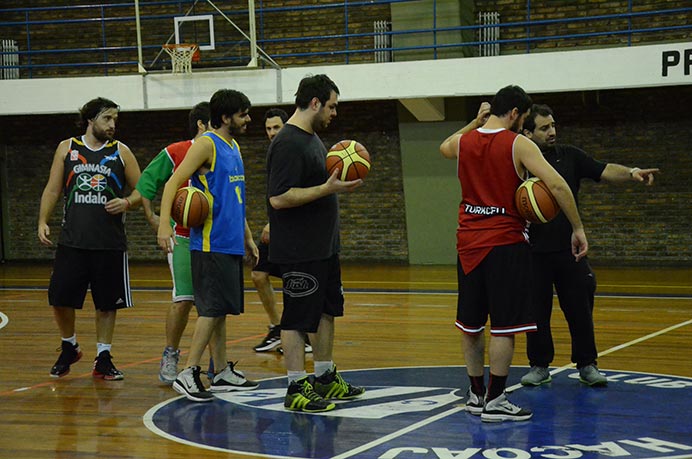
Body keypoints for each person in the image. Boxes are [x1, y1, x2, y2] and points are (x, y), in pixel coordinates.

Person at [439, 86, 588, 422]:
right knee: (505, 327)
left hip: (467, 244)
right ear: (517, 113)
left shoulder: (465, 141)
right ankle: (496, 399)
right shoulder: (518, 143)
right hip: (505, 243)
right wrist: (577, 228)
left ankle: (475, 394)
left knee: (472, 325)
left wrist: (473, 123)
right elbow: (559, 185)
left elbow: (444, 147)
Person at [519, 104, 660, 387]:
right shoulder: (518, 161)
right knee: (536, 314)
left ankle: (587, 364)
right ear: (527, 132)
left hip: (569, 250)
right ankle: (539, 365)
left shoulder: (569, 155)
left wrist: (631, 172)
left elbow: (603, 169)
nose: (552, 132)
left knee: (580, 309)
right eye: (544, 128)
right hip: (532, 252)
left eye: (553, 125)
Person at [267, 74, 365, 413]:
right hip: (299, 249)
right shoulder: (288, 142)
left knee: (326, 312)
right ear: (314, 103)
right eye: (332, 106)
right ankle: (295, 386)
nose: (334, 113)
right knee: (296, 319)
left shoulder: (312, 139)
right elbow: (279, 198)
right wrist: (327, 190)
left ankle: (324, 377)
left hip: (323, 247)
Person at [157, 89, 260, 402]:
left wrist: (248, 236)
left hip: (229, 241)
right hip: (209, 242)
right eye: (243, 114)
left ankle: (221, 372)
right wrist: (164, 223)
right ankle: (189, 371)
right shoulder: (206, 144)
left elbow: (235, 197)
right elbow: (174, 183)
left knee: (221, 310)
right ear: (226, 117)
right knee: (211, 309)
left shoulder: (234, 146)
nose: (248, 119)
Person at [38, 97, 141, 380]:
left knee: (107, 304)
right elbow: (52, 189)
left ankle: (103, 356)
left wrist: (127, 203)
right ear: (91, 120)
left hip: (109, 242)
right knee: (59, 298)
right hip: (72, 240)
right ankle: (69, 345)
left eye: (115, 120)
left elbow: (142, 188)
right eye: (107, 119)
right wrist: (42, 220)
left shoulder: (121, 151)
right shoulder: (67, 148)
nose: (112, 125)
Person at [131, 102, 213, 384]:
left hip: (215, 237)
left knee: (213, 304)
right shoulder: (176, 151)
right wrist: (155, 218)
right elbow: (146, 184)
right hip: (183, 237)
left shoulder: (223, 152)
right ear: (201, 125)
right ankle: (170, 353)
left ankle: (216, 362)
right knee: (184, 300)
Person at [252, 108, 312, 354]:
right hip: (276, 225)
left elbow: (291, 194)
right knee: (258, 274)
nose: (272, 133)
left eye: (276, 127)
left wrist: (274, 223)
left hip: (293, 232)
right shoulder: (274, 151)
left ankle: (303, 334)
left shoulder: (294, 148)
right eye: (268, 128)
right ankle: (277, 327)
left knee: (296, 284)